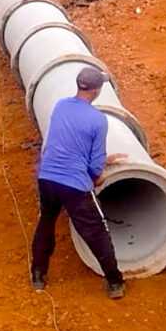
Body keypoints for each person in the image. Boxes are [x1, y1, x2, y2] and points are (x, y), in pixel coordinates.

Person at [30, 67, 127, 299]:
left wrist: (104, 160)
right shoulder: (97, 119)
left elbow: (66, 142)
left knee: (47, 221)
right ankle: (114, 282)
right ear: (96, 90)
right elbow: (94, 165)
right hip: (73, 184)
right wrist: (97, 178)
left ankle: (38, 275)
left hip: (47, 177)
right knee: (96, 231)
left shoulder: (61, 106)